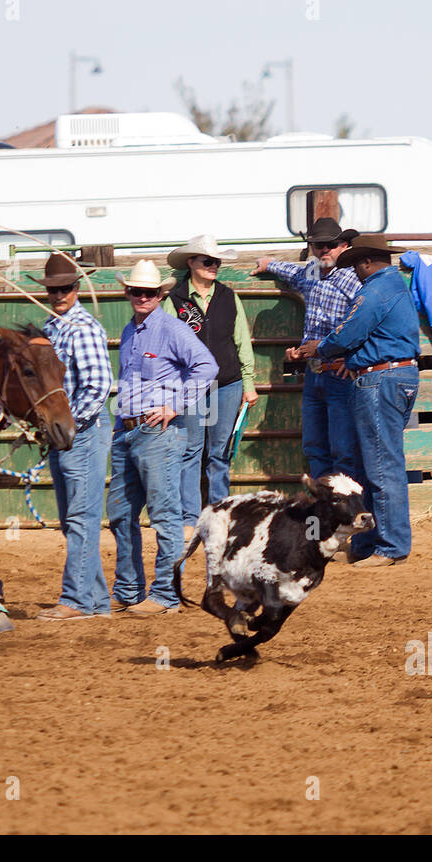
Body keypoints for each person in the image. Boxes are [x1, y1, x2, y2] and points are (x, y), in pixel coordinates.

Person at [292, 234, 419, 568]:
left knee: (377, 465)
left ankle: (390, 545)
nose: (355, 273)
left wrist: (318, 348)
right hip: (385, 375)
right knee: (371, 461)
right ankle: (368, 543)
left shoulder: (375, 290)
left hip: (379, 379)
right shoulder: (390, 286)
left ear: (365, 262)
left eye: (356, 265)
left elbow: (350, 332)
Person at [107, 259, 218, 616]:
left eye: (149, 293)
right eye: (137, 291)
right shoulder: (129, 332)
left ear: (159, 295)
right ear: (128, 293)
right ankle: (129, 589)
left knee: (164, 516)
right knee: (121, 514)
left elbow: (208, 365)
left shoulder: (172, 328)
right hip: (128, 430)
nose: (142, 297)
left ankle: (166, 595)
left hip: (157, 432)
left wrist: (175, 405)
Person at [26, 254, 115, 621]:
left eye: (65, 288)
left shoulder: (82, 328)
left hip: (83, 433)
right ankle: (95, 601)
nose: (59, 294)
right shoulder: (53, 327)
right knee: (75, 518)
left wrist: (68, 424)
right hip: (68, 434)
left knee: (79, 516)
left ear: (76, 288)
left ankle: (76, 600)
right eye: (53, 289)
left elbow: (99, 384)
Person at [162, 234, 259, 532]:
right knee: (190, 450)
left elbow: (242, 340)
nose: (213, 266)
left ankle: (218, 515)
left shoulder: (229, 297)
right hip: (189, 386)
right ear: (191, 263)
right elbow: (166, 347)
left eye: (216, 262)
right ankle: (189, 517)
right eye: (207, 261)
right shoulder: (174, 301)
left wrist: (248, 382)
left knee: (219, 452)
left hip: (226, 383)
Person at [254, 217, 362, 482]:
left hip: (340, 373)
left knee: (343, 450)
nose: (324, 250)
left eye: (330, 245)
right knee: (315, 447)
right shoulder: (311, 274)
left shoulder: (352, 279)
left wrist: (355, 359)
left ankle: (345, 509)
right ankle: (326, 510)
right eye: (318, 245)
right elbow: (291, 271)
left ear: (343, 246)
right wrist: (269, 264)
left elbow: (366, 323)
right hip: (314, 373)